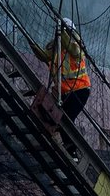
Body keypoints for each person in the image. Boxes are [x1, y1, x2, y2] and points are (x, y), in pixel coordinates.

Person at [30, 18, 91, 156]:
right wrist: (32, 45)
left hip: (80, 89)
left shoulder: (76, 43)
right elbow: (45, 56)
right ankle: (63, 146)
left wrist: (62, 31)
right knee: (54, 115)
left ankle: (72, 152)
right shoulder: (55, 47)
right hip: (63, 92)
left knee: (66, 119)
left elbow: (75, 51)